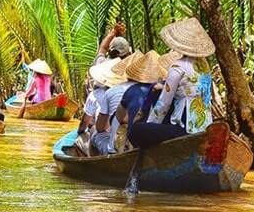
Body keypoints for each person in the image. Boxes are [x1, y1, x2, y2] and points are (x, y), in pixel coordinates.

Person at [129, 18, 216, 148]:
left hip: (185, 130)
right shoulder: (204, 66)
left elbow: (164, 103)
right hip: (205, 127)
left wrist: (151, 125)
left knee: (135, 130)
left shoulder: (177, 66)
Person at [91, 50, 156, 155]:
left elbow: (100, 127)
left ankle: (91, 162)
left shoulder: (111, 92)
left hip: (118, 147)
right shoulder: (154, 90)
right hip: (142, 144)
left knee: (94, 132)